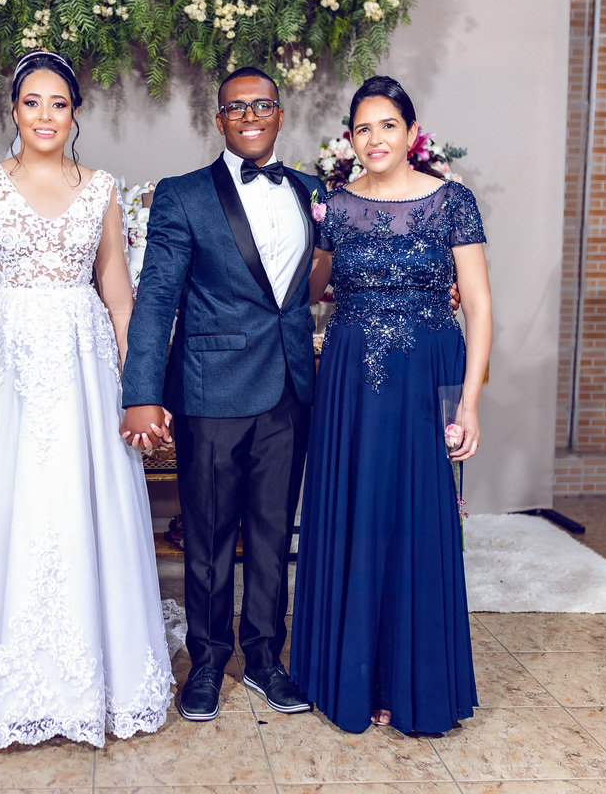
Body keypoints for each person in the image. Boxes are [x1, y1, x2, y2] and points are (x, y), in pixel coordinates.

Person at [0, 50, 172, 749]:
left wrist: (139, 383)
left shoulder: (101, 188)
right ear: (14, 110)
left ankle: (87, 681)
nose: (46, 116)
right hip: (4, 362)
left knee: (77, 498)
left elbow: (117, 292)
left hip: (83, 361)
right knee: (1, 499)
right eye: (33, 102)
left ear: (75, 112)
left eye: (59, 103)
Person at [289, 75, 492, 736]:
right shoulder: (334, 207)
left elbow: (479, 305)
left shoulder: (451, 202)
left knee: (416, 521)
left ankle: (410, 684)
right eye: (362, 128)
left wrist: (469, 404)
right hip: (350, 381)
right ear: (350, 138)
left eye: (387, 125)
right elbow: (312, 291)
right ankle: (352, 678)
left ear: (411, 132)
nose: (374, 139)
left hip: (426, 377)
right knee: (353, 518)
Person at [120, 67, 322, 721]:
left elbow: (327, 277)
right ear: (220, 120)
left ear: (280, 114)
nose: (250, 116)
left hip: (289, 387)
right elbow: (156, 297)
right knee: (207, 536)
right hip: (209, 390)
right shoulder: (182, 196)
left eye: (262, 105)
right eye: (237, 108)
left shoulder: (311, 192)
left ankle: (264, 658)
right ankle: (206, 662)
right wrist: (141, 391)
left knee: (272, 532)